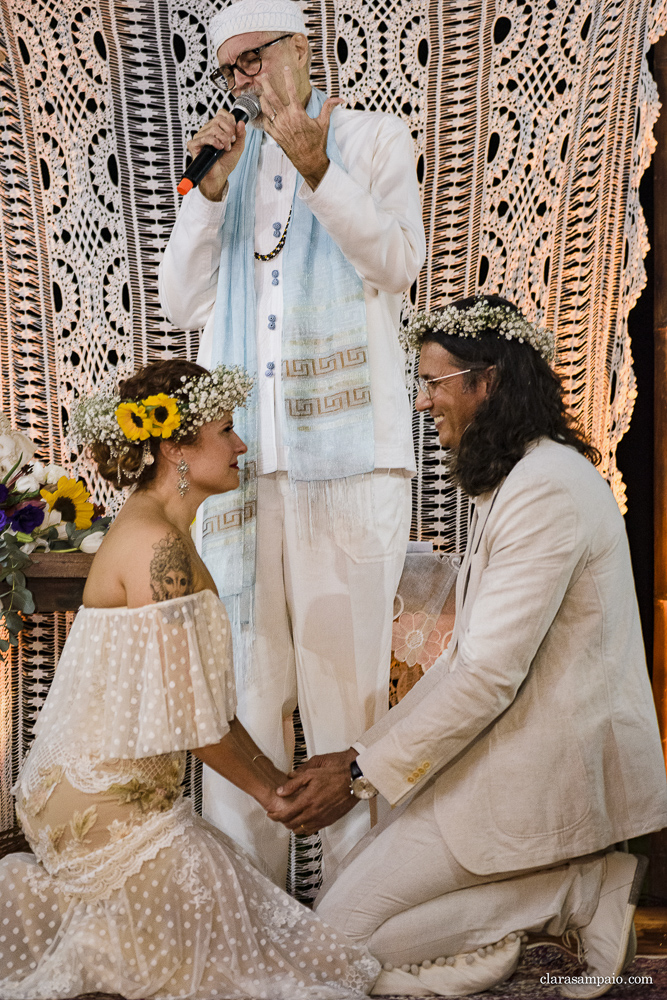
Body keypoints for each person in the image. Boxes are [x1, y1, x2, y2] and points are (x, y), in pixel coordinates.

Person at [270, 296, 667, 998]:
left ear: (487, 380)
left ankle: (575, 890)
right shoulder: (523, 477)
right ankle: (566, 893)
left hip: (531, 771)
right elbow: (471, 633)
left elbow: (484, 673)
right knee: (338, 939)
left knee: (330, 951)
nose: (423, 403)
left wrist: (357, 768)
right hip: (482, 765)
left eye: (432, 382)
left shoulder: (544, 489)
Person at [0, 359, 379, 1000]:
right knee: (254, 953)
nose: (241, 445)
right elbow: (190, 720)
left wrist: (278, 786)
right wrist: (275, 797)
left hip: (120, 792)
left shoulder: (167, 535)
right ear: (176, 445)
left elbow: (200, 708)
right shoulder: (158, 549)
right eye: (227, 429)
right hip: (97, 800)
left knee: (262, 927)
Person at [158, 0, 426, 886]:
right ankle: (254, 920)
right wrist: (207, 194)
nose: (244, 81)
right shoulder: (230, 171)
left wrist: (319, 172)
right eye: (229, 69)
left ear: (301, 50)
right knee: (242, 693)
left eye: (255, 60)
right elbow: (182, 307)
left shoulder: (377, 140)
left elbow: (395, 264)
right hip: (241, 475)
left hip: (346, 468)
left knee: (345, 696)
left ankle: (357, 916)